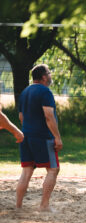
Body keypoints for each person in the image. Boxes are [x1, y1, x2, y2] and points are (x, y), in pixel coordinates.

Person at [17, 64, 63, 212]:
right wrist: (57, 137)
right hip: (43, 137)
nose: (50, 76)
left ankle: (18, 206)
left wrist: (28, 129)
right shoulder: (45, 91)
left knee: (26, 171)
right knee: (53, 169)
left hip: (26, 135)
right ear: (44, 77)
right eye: (49, 73)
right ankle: (44, 205)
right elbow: (49, 116)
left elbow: (21, 116)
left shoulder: (25, 92)